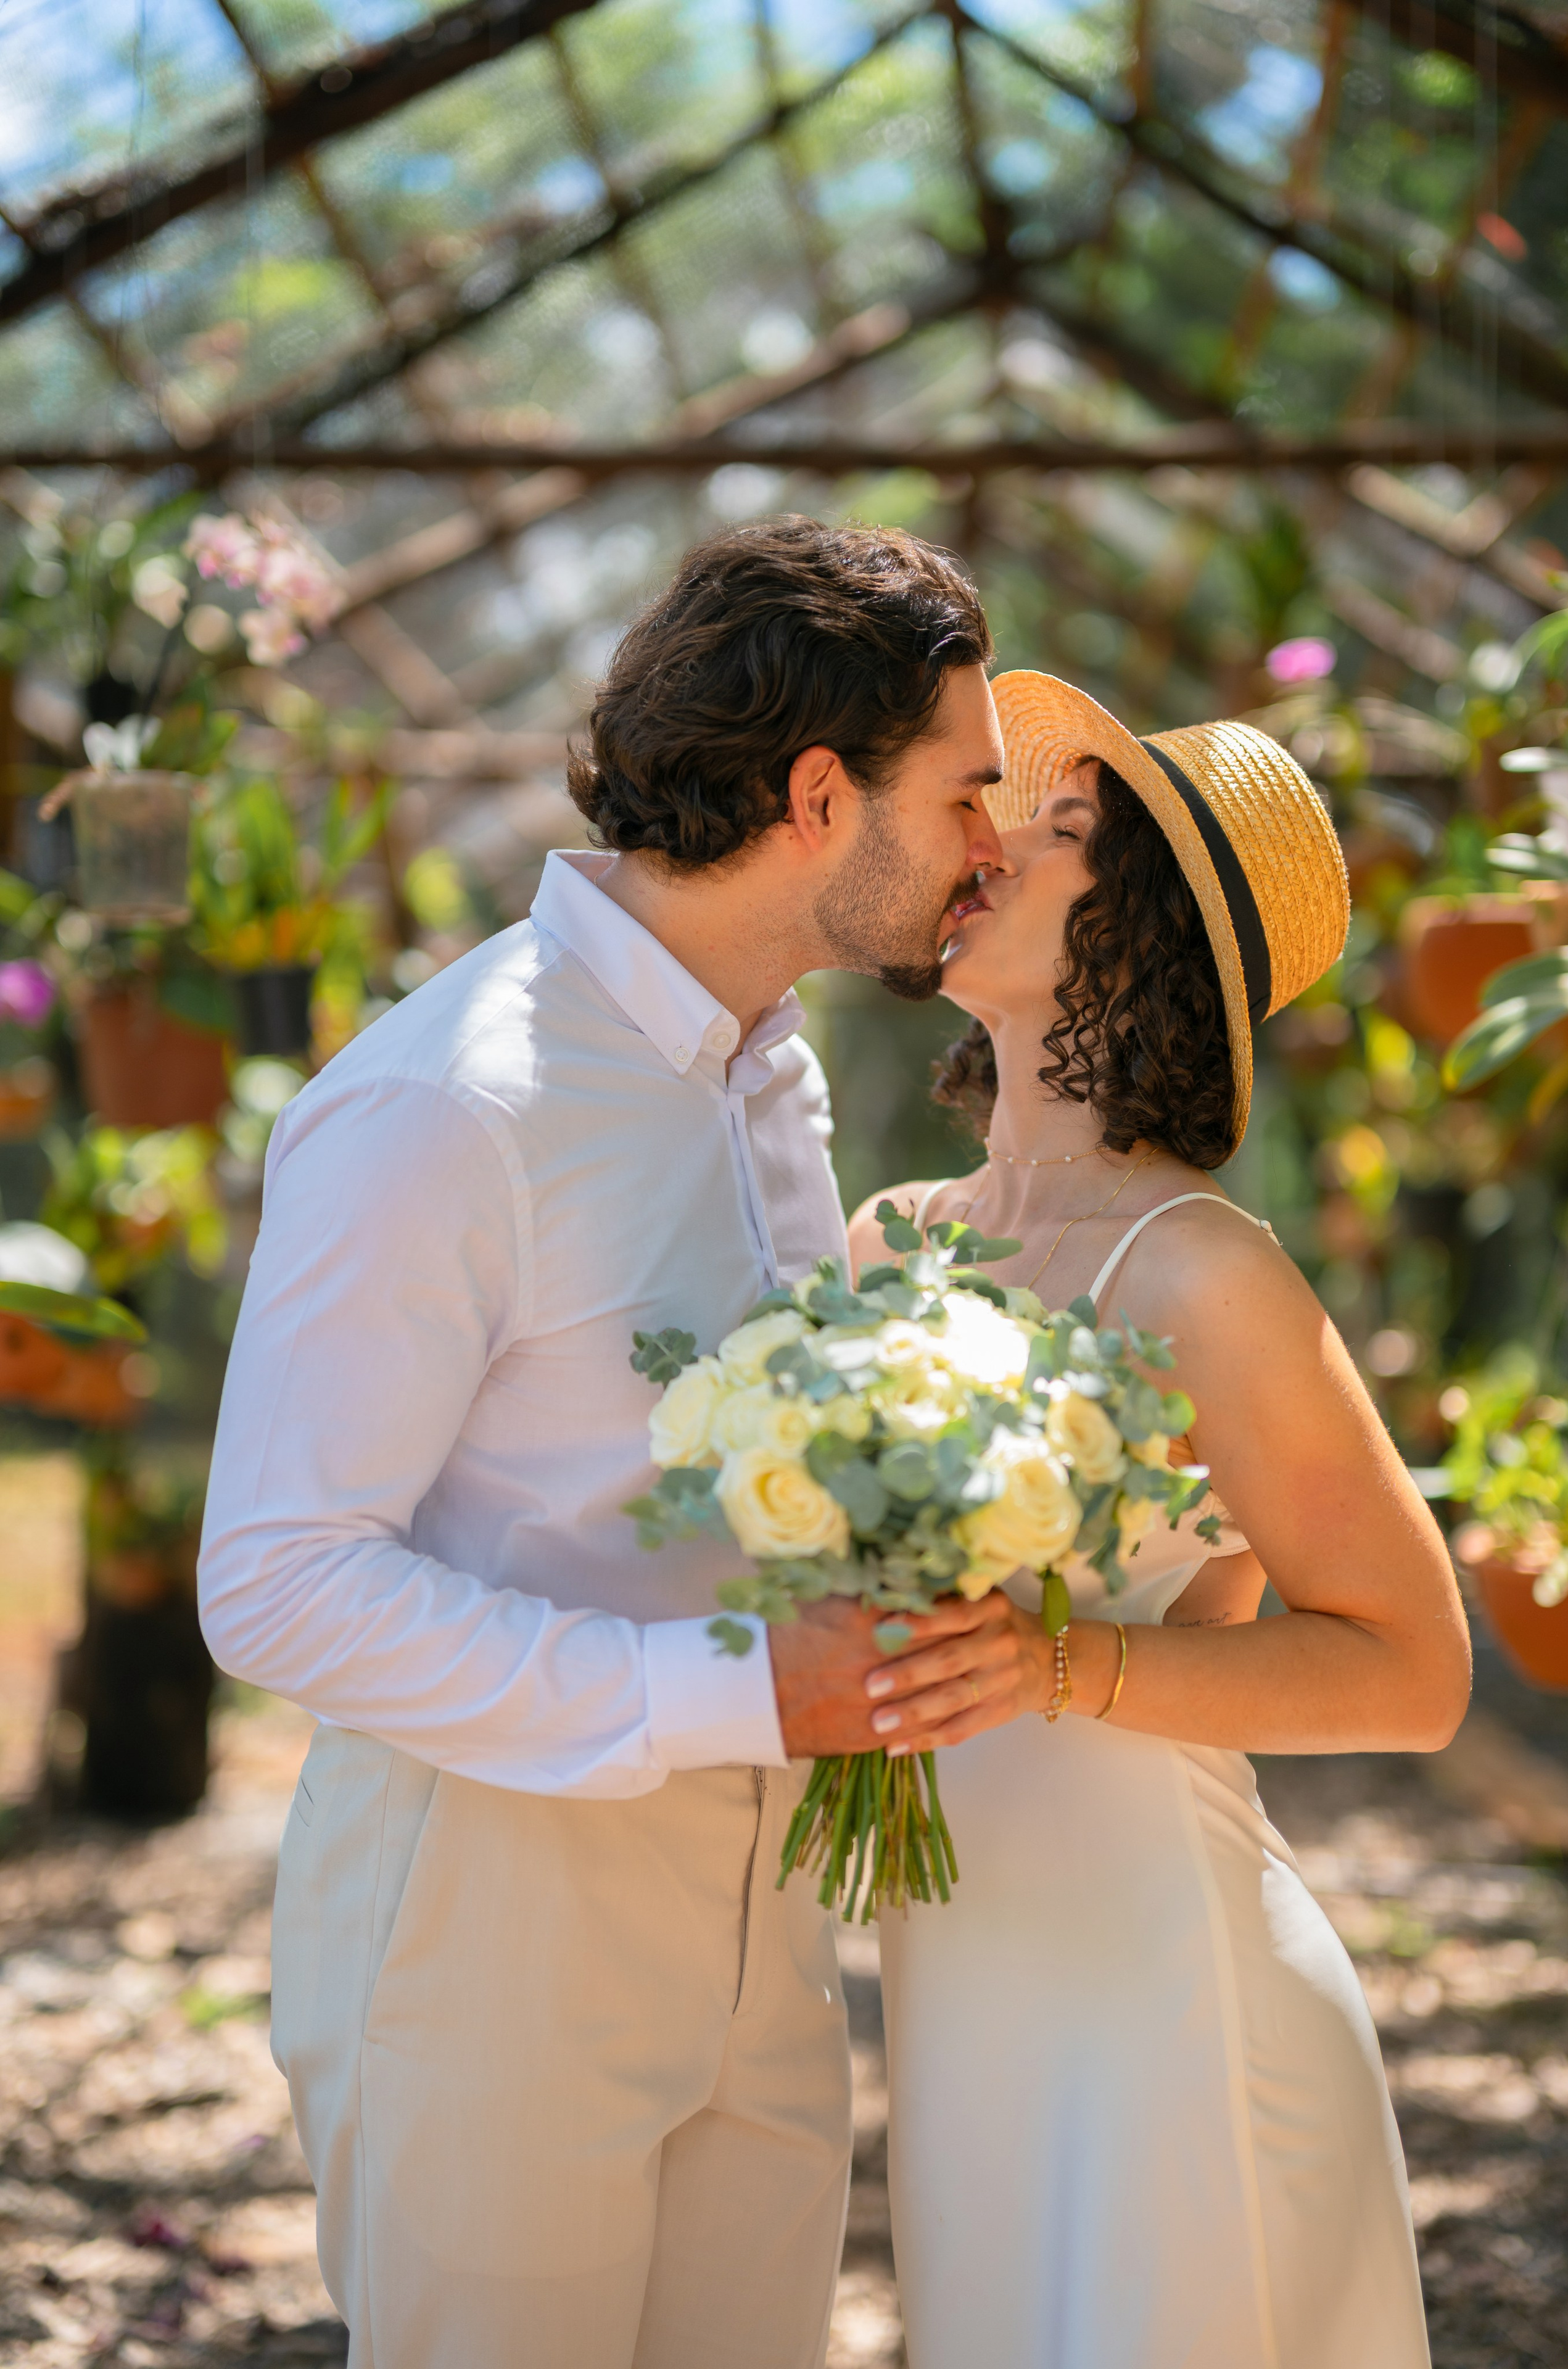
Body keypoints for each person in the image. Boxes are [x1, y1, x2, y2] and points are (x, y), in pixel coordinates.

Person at [197, 518, 1024, 2369]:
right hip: (490, 1930)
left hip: (770, 1916)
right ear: (821, 795)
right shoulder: (446, 1102)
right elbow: (276, 1584)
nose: (994, 843)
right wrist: (737, 1689)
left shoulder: (773, 1070)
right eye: (968, 792)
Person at [847, 672, 1472, 2369]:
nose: (990, 845)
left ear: (1141, 939)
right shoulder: (887, 1241)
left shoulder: (1203, 1272)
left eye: (1058, 830)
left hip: (1169, 1994)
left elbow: (1415, 1671)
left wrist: (1058, 1668)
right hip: (957, 1975)